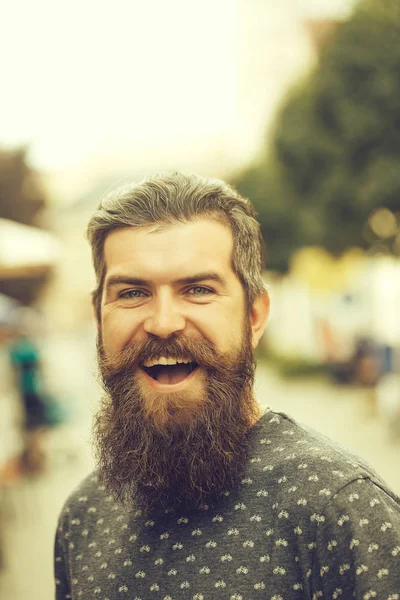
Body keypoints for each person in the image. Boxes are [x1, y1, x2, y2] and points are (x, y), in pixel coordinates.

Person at [55, 172, 400, 599]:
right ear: (98, 316)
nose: (163, 322)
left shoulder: (339, 509)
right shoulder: (84, 515)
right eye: (131, 293)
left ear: (254, 316)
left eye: (198, 289)